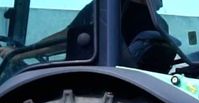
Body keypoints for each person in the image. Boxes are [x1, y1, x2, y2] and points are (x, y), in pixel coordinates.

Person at [0, 0, 174, 73]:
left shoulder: (106, 9)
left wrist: (18, 55)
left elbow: (65, 40)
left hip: (101, 82)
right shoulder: (160, 25)